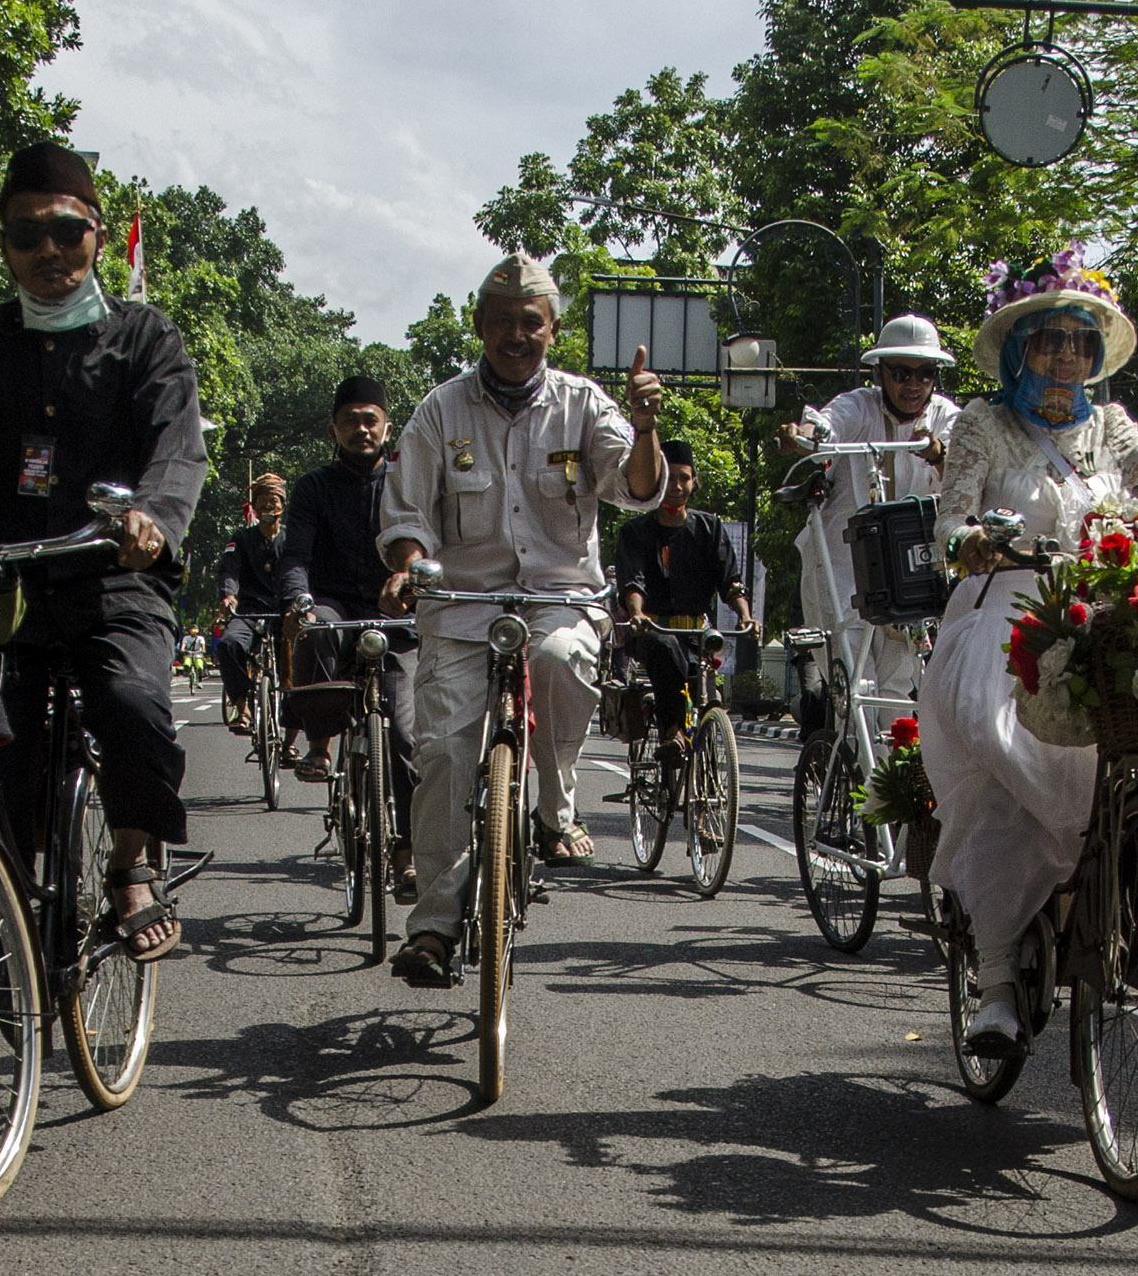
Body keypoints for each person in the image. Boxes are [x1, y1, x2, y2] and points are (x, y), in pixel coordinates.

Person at [0, 140, 211, 963]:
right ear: (4, 245)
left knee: (134, 705)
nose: (48, 252)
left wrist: (153, 519)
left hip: (113, 580)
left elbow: (177, 449)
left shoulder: (147, 339)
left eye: (65, 231)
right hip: (0, 596)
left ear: (97, 234)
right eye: (25, 235)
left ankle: (133, 865)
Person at [921, 251, 1138, 1058]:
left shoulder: (1109, 428)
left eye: (1078, 340)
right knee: (1010, 758)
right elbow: (946, 533)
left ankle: (1128, 896)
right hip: (1006, 618)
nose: (1065, 355)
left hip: (1100, 614)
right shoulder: (982, 424)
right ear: (1019, 350)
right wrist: (979, 541)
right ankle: (997, 982)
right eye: (1048, 341)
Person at [375, 251, 668, 988]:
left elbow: (633, 487)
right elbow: (408, 511)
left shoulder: (585, 404)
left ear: (553, 330)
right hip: (463, 610)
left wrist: (644, 424)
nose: (515, 335)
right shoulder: (439, 410)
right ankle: (436, 928)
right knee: (442, 753)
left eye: (529, 323)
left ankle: (551, 802)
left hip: (559, 600)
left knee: (563, 658)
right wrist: (409, 566)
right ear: (478, 326)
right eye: (500, 322)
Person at [778, 314, 958, 698]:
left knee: (898, 687)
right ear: (880, 372)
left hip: (910, 572)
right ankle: (855, 754)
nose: (913, 385)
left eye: (924, 374)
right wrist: (802, 437)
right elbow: (825, 428)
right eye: (901, 373)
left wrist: (937, 452)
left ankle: (890, 758)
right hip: (843, 570)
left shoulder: (945, 417)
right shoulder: (859, 406)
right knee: (855, 685)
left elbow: (965, 469)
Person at [282, 374, 407, 815]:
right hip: (333, 605)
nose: (362, 430)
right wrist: (301, 603)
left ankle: (406, 850)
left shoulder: (406, 483)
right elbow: (295, 555)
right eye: (350, 422)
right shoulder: (313, 487)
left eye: (371, 421)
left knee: (404, 736)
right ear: (333, 431)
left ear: (387, 428)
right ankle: (319, 744)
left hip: (394, 612)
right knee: (317, 630)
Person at [611, 437, 749, 764]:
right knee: (664, 647)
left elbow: (730, 581)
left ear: (694, 482)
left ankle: (702, 743)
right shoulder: (636, 531)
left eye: (684, 478)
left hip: (697, 635)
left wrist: (744, 615)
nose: (677, 485)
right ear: (658, 482)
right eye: (669, 478)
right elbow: (633, 581)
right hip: (651, 631)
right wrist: (637, 613)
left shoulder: (709, 528)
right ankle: (674, 732)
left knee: (701, 681)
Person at [211, 473, 290, 737]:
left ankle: (291, 739)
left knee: (301, 660)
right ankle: (242, 706)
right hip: (249, 611)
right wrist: (229, 596)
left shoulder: (292, 540)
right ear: (254, 507)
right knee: (229, 644)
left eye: (274, 500)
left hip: (286, 611)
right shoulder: (241, 539)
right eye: (263, 502)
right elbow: (229, 571)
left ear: (283, 505)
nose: (268, 506)